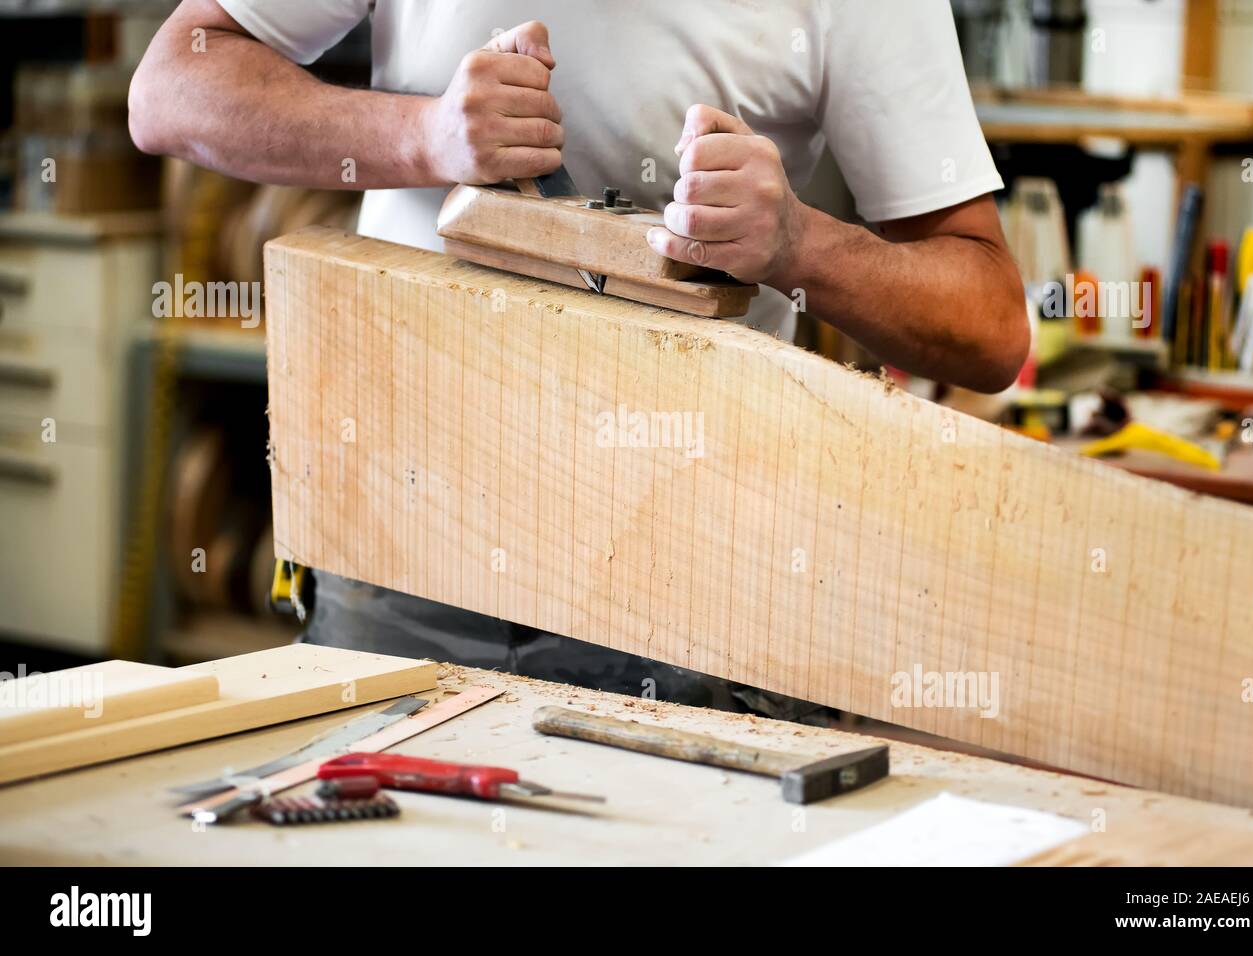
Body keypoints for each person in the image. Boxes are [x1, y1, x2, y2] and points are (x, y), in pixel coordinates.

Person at [129, 1, 1027, 715]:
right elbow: (171, 86)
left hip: (689, 582)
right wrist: (424, 138)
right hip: (405, 539)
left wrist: (801, 245)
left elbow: (989, 328)